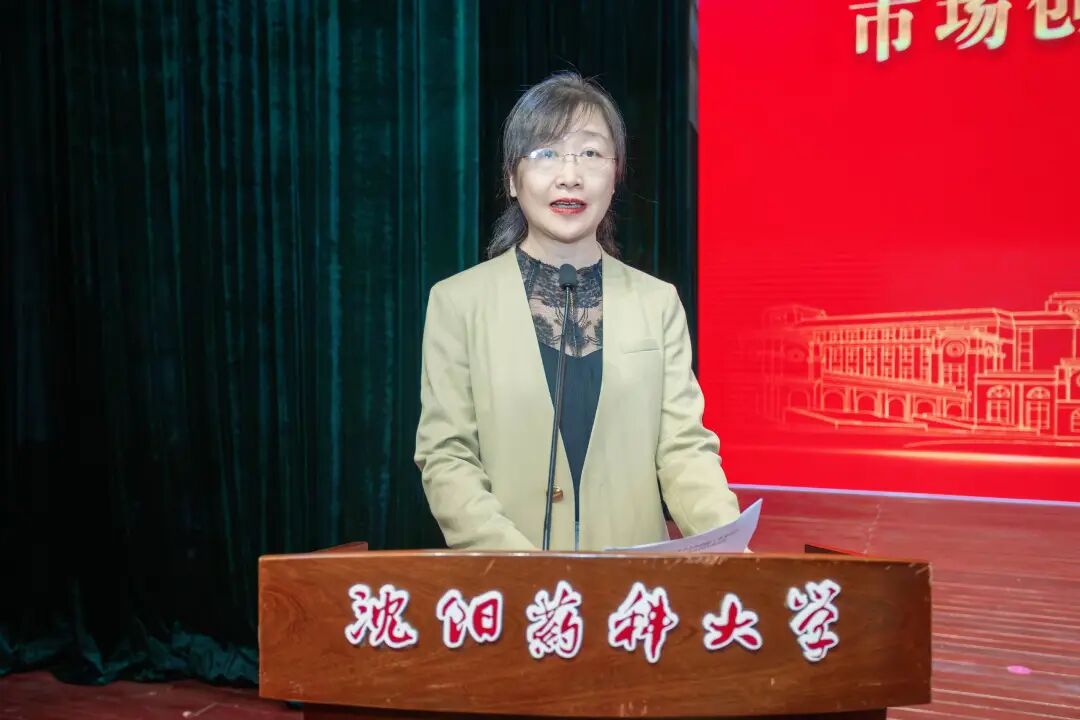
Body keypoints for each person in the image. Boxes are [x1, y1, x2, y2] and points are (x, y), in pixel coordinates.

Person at [414, 71, 740, 551]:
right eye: (546, 153)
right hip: (512, 582)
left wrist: (729, 546)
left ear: (616, 174)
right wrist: (520, 567)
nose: (570, 175)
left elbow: (684, 450)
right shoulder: (458, 302)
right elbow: (448, 457)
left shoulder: (657, 302)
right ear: (511, 179)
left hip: (632, 585)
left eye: (590, 153)